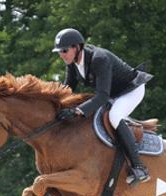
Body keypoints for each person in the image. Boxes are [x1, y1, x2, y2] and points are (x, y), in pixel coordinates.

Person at [52, 28, 154, 186]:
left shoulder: (99, 59)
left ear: (76, 47)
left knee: (114, 117)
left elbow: (102, 96)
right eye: (59, 51)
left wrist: (78, 111)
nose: (61, 54)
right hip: (112, 93)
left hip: (130, 90)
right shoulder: (72, 62)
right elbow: (68, 88)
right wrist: (53, 104)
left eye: (64, 50)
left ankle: (139, 168)